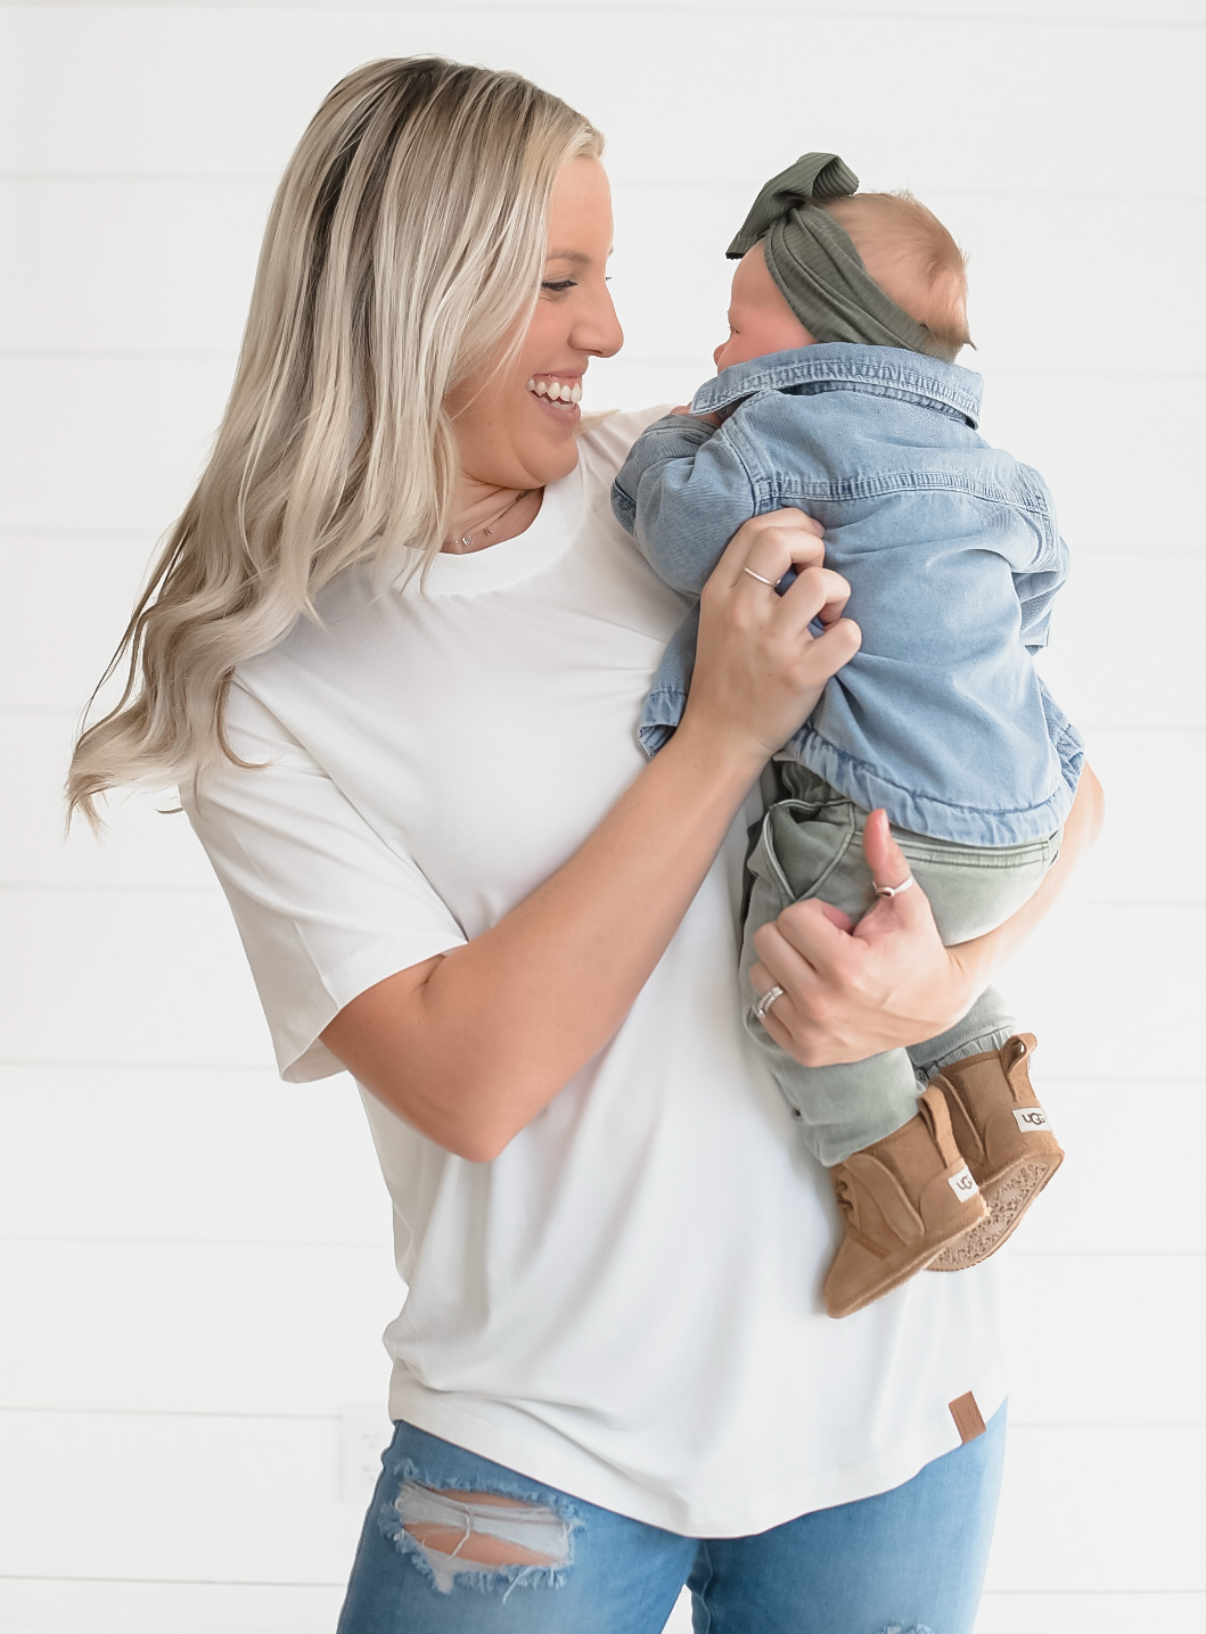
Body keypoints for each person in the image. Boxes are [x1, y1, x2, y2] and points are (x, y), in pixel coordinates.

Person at [67, 60, 1103, 1634]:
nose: (610, 332)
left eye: (605, 277)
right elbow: (471, 1079)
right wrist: (723, 734)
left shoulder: (687, 483)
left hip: (894, 1412)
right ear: (413, 296)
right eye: (558, 281)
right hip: (533, 1457)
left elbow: (1049, 787)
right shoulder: (268, 683)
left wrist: (929, 983)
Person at [612, 152, 1079, 1320]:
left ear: (819, 333)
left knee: (795, 958)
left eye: (737, 328)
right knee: (912, 935)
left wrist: (670, 446)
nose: (722, 355)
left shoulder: (781, 434)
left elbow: (680, 538)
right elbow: (1039, 600)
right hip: (1025, 817)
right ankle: (996, 1099)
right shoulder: (998, 470)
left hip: (888, 816)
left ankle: (896, 1188)